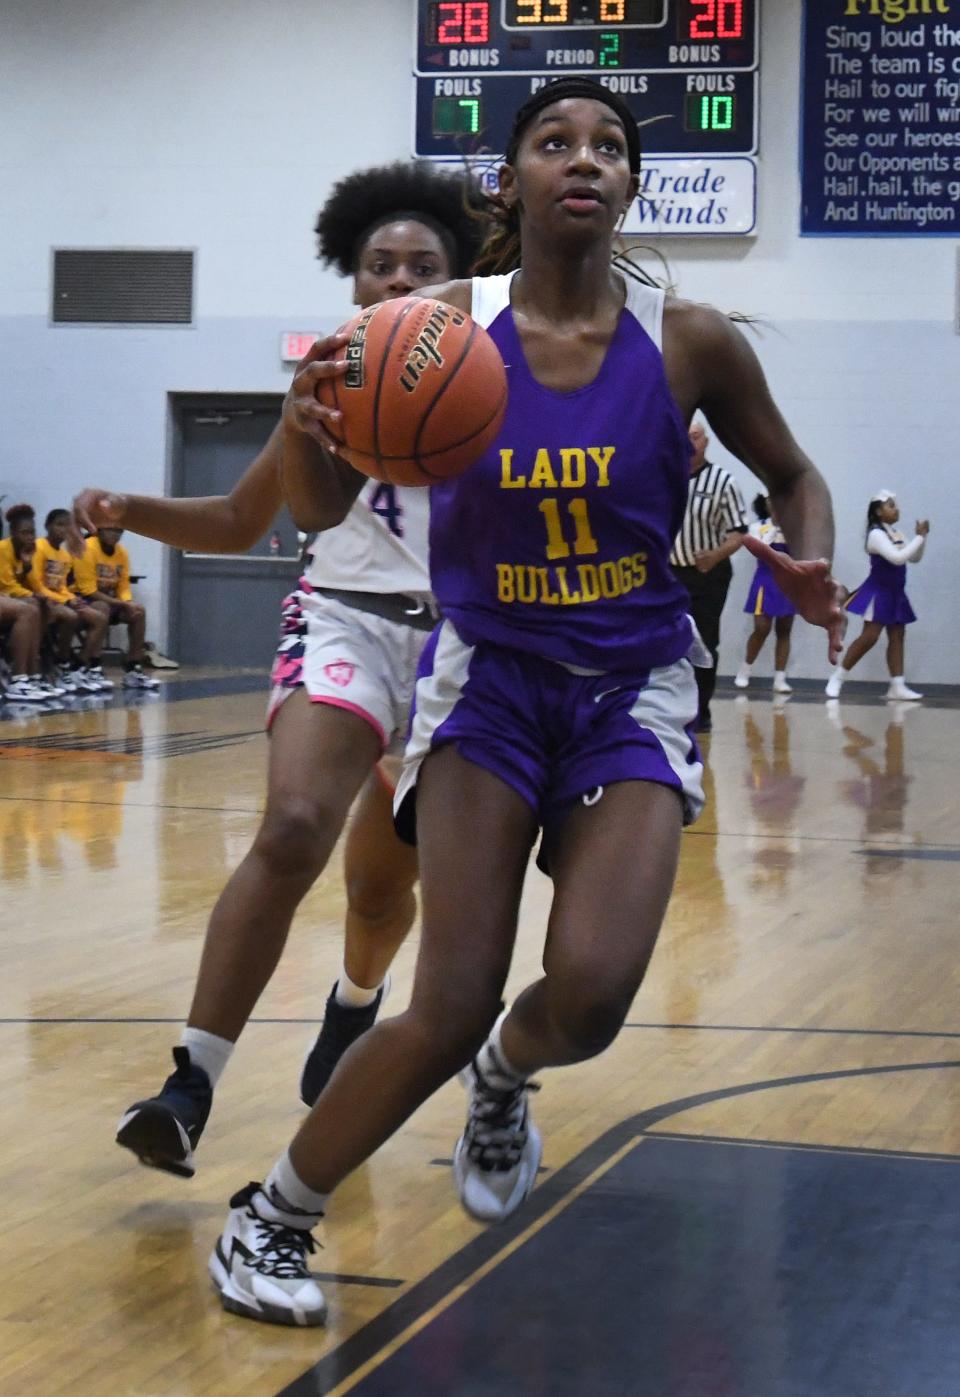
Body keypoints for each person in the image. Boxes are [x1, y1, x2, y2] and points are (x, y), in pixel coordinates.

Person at [207, 78, 844, 1328]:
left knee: (595, 992)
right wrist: (304, 428)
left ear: (631, 186)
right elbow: (323, 512)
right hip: (489, 681)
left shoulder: (693, 338)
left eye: (610, 144)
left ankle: (511, 1072)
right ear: (511, 180)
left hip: (633, 684)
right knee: (447, 996)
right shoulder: (435, 328)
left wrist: (812, 554)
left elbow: (796, 472)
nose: (585, 159)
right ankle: (270, 1215)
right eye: (555, 141)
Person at [72, 162, 486, 1177]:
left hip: (466, 643)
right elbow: (242, 519)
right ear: (351, 283)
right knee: (295, 822)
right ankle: (190, 1082)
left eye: (421, 266)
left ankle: (354, 1005)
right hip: (343, 615)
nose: (397, 281)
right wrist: (134, 507)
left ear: (459, 282)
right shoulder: (326, 383)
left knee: (384, 887)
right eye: (378, 266)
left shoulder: (501, 373)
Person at [669, 420, 748, 731]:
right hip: (669, 574)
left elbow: (739, 533)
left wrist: (715, 555)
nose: (690, 443)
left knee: (704, 644)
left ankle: (701, 711)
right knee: (668, 645)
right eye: (685, 437)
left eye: (696, 437)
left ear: (707, 441)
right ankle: (672, 711)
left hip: (708, 576)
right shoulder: (664, 476)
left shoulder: (723, 481)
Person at [825, 489, 928, 702]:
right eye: (891, 505)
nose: (896, 508)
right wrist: (918, 537)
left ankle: (897, 686)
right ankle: (838, 677)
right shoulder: (875, 535)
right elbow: (897, 559)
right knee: (870, 637)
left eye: (896, 505)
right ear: (879, 511)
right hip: (878, 591)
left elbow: (914, 557)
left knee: (898, 635)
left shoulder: (897, 533)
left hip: (896, 592)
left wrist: (922, 538)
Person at [30, 508, 111, 693]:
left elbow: (61, 587)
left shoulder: (65, 554)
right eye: (59, 525)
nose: (63, 530)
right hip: (42, 599)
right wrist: (66, 601)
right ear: (47, 526)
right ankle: (61, 661)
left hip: (60, 599)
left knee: (99, 618)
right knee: (71, 616)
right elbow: (37, 585)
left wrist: (72, 599)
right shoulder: (39, 547)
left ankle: (79, 666)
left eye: (68, 526)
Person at [72, 526, 160, 690]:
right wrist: (122, 603)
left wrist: (128, 602)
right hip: (81, 600)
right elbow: (88, 590)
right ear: (99, 530)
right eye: (111, 530)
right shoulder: (87, 548)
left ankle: (133, 667)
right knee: (102, 608)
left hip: (111, 601)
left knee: (138, 611)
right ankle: (93, 666)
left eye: (119, 531)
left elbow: (123, 586)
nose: (115, 534)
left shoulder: (122, 552)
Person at [734, 494, 797, 694]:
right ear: (764, 503)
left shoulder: (794, 527)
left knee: (785, 629)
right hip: (765, 580)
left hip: (788, 582)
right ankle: (745, 669)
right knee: (762, 627)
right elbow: (761, 549)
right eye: (771, 499)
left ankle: (780, 678)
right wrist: (776, 526)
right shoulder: (757, 526)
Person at [0, 507, 52, 703]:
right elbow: (8, 586)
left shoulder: (25, 551)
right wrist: (33, 595)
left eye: (32, 532)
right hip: (5, 595)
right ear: (13, 532)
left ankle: (32, 675)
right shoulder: (3, 549)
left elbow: (32, 584)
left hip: (7, 597)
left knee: (41, 606)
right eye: (25, 532)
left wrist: (28, 565)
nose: (30, 537)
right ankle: (18, 679)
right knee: (29, 609)